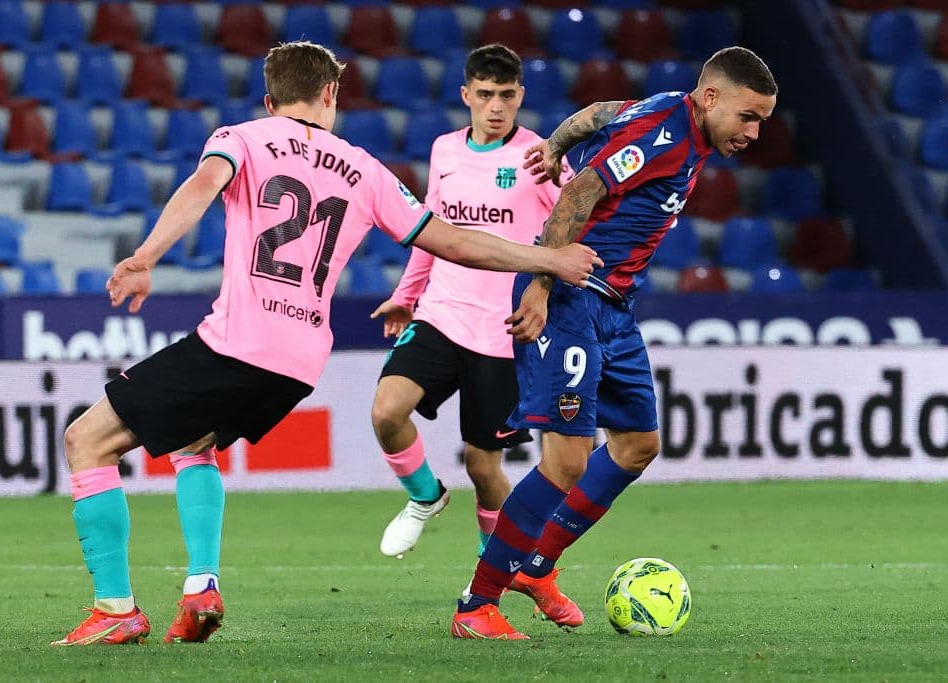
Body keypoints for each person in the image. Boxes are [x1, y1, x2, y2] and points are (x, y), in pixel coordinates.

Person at [52, 40, 601, 647]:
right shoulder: (364, 167)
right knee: (193, 441)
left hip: (238, 340)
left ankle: (114, 610)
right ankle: (200, 585)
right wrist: (545, 258)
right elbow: (454, 241)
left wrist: (146, 255)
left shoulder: (241, 137)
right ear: (330, 94)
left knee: (86, 441)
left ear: (269, 100)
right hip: (300, 362)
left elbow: (203, 185)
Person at [450, 46, 778, 640]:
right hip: (571, 295)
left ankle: (536, 566)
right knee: (567, 460)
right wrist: (543, 283)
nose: (754, 131)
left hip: (614, 307)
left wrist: (551, 144)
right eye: (748, 116)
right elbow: (580, 195)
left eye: (763, 121)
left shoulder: (667, 114)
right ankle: (477, 604)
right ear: (711, 99)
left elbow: (598, 112)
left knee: (635, 446)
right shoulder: (664, 133)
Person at [369, 45, 576, 560]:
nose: (496, 106)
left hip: (503, 333)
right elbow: (433, 231)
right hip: (442, 313)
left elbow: (576, 222)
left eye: (507, 96)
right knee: (386, 411)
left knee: (484, 470)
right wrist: (405, 296)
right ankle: (424, 495)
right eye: (485, 95)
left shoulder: (540, 157)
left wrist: (545, 288)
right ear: (466, 95)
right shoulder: (445, 150)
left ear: (521, 96)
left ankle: (494, 575)